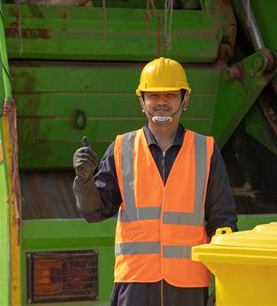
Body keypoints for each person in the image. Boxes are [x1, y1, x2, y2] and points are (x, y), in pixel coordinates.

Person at [73, 57, 237, 306]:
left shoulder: (205, 150)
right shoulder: (122, 148)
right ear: (142, 101)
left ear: (185, 99)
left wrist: (226, 283)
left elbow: (223, 222)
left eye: (170, 95)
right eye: (153, 95)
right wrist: (84, 180)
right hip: (136, 283)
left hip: (188, 286)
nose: (161, 102)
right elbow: (94, 212)